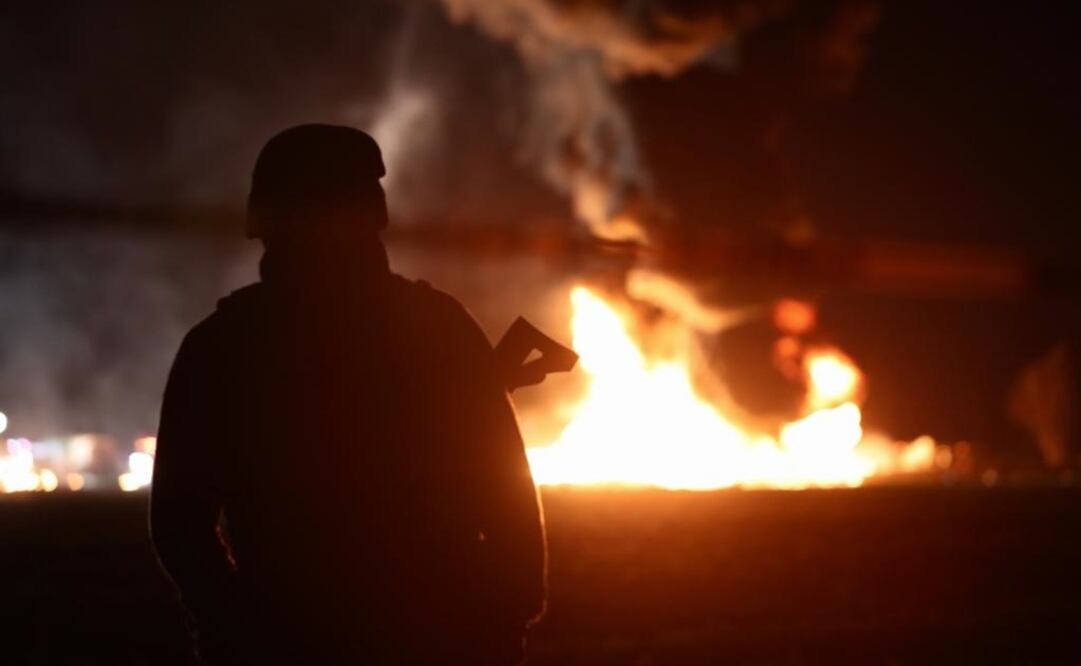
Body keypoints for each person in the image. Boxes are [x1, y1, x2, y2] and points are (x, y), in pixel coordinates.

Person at [150, 124, 547, 664]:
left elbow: (179, 521)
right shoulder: (439, 327)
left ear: (263, 220)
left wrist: (233, 620)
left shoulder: (221, 344)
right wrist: (503, 615)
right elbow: (506, 494)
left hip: (303, 637)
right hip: (428, 632)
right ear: (375, 212)